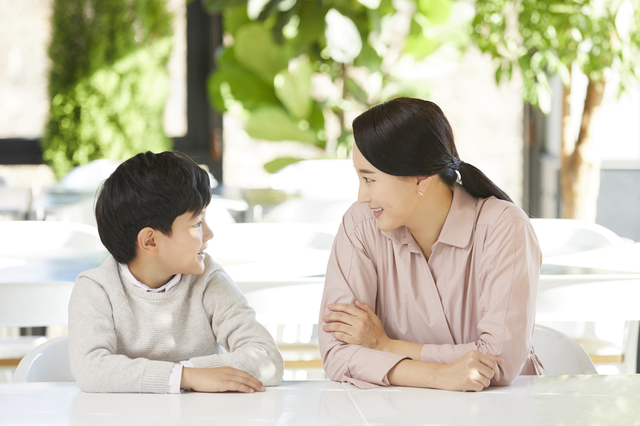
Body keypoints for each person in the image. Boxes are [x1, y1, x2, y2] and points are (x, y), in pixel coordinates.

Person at [319, 98, 544, 391]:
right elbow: (337, 353)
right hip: (397, 412)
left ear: (421, 179)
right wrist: (438, 375)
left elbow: (498, 362)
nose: (362, 195)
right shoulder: (361, 225)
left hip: (498, 411)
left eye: (369, 179)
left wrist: (385, 346)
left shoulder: (503, 227)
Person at [68, 151, 283, 393]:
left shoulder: (209, 280)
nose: (209, 234)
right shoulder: (96, 289)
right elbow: (91, 370)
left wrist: (181, 373)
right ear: (150, 241)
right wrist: (187, 377)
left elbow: (267, 359)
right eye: (197, 224)